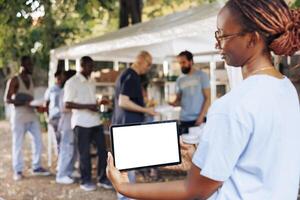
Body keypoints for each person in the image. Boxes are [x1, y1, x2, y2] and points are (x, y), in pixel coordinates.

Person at [107, 0, 300, 199]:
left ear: (252, 39)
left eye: (222, 35)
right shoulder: (286, 89)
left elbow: (194, 190)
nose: (217, 43)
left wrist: (125, 188)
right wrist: (202, 161)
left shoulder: (231, 106)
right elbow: (257, 162)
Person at [111, 51, 157, 200]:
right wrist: (146, 110)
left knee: (126, 165)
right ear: (141, 61)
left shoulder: (125, 74)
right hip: (127, 125)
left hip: (123, 124)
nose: (149, 67)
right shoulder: (132, 76)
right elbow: (123, 102)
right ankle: (126, 196)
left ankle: (127, 195)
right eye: (148, 63)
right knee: (127, 166)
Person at [64, 56, 112, 191]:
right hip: (81, 123)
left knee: (103, 151)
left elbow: (90, 100)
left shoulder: (92, 81)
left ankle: (103, 179)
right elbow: (68, 103)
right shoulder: (71, 82)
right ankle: (85, 181)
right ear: (82, 66)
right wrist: (87, 106)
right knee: (84, 154)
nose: (92, 68)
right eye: (89, 66)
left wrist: (98, 103)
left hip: (95, 121)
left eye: (93, 66)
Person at [4, 56, 50, 181]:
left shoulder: (30, 79)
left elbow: (31, 101)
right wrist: (24, 102)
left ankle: (37, 166)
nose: (32, 67)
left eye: (32, 64)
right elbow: (7, 99)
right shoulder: (14, 80)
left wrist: (38, 107)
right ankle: (17, 171)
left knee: (38, 141)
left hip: (32, 115)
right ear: (22, 65)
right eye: (29, 65)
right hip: (19, 117)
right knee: (18, 144)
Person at [169, 50, 210, 134]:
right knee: (185, 145)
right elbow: (178, 100)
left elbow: (208, 98)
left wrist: (201, 117)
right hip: (184, 119)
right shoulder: (179, 79)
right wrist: (173, 103)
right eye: (180, 63)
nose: (181, 65)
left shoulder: (202, 76)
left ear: (191, 61)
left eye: (183, 62)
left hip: (199, 119)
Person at [56, 70, 77, 184]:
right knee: (66, 149)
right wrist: (79, 105)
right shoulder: (64, 91)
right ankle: (61, 175)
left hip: (72, 124)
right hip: (66, 124)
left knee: (73, 150)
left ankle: (69, 170)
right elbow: (63, 108)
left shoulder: (70, 90)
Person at [44, 70, 64, 154]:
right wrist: (46, 116)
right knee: (57, 139)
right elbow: (46, 104)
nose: (60, 80)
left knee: (63, 138)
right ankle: (59, 157)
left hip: (63, 117)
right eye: (58, 78)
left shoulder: (63, 89)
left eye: (61, 78)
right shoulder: (51, 90)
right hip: (54, 117)